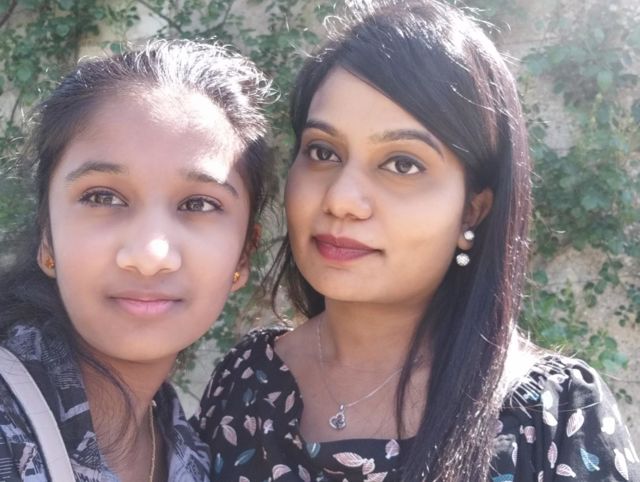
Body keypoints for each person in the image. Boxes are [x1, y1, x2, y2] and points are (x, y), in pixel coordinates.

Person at [193, 1, 640, 481]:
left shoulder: (556, 418)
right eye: (323, 152)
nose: (341, 200)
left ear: (473, 208)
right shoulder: (246, 381)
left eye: (402, 164)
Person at [0, 39, 272, 481]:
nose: (150, 257)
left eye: (199, 204)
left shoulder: (199, 454)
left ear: (244, 253)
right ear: (47, 236)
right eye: (103, 197)